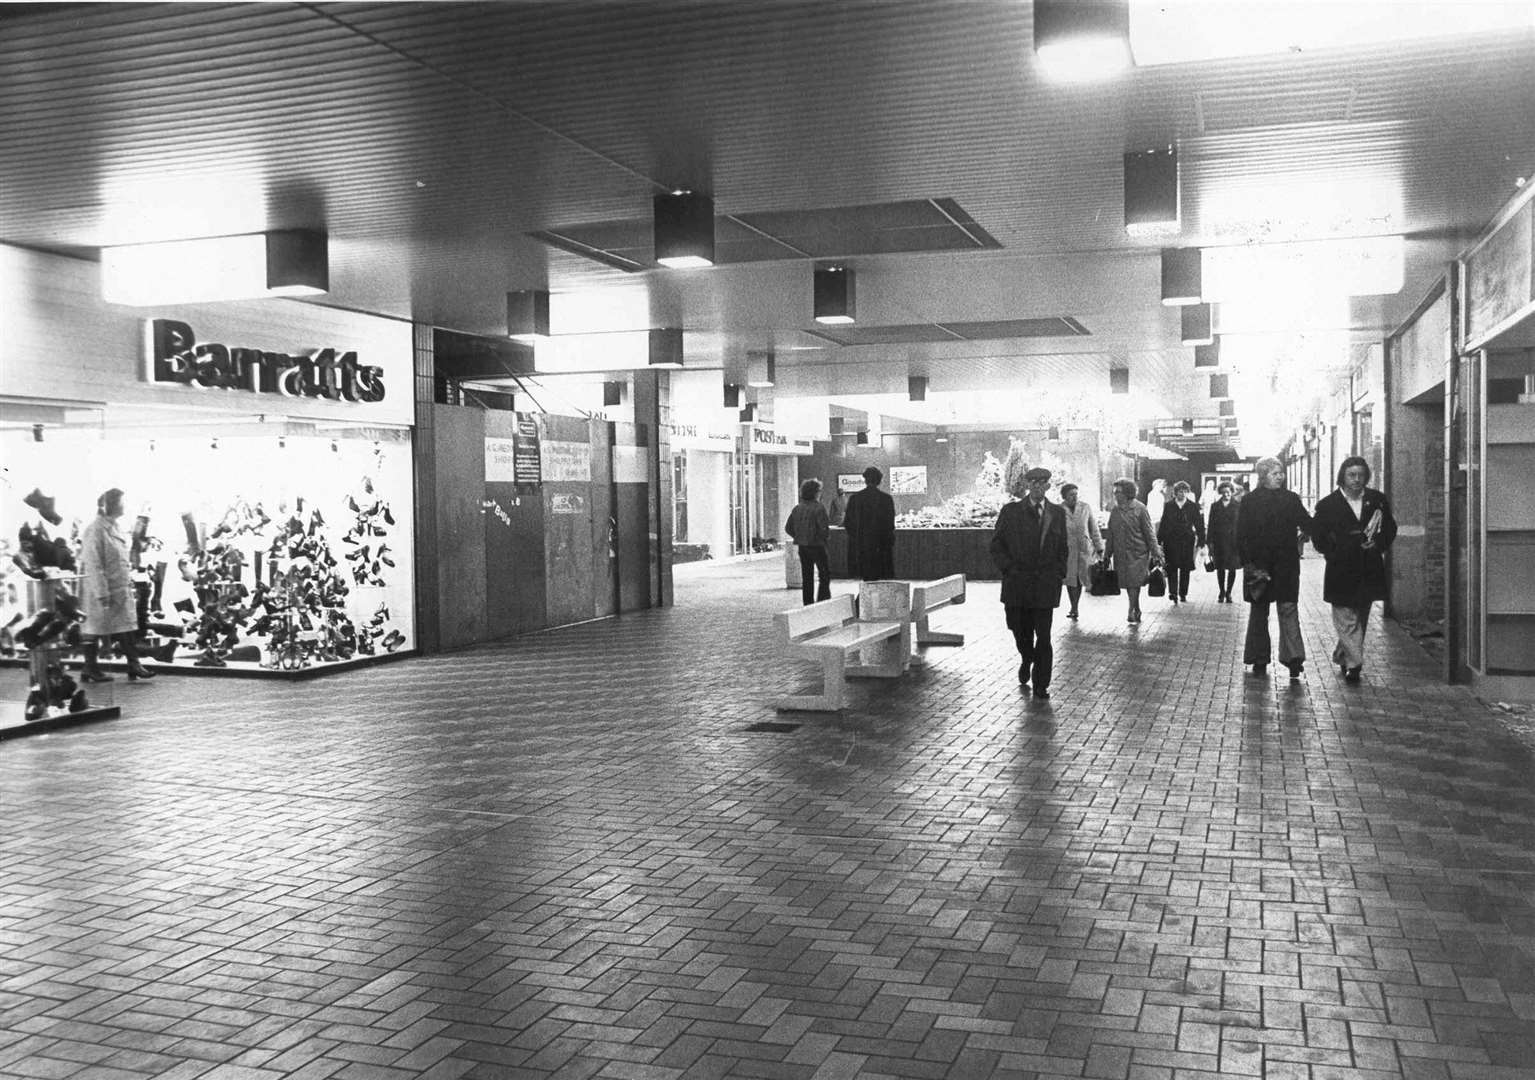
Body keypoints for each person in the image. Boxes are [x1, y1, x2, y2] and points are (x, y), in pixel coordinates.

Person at [1310, 456, 1397, 683]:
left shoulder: (1377, 500)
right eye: (1351, 475)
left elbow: (1389, 528)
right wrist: (1333, 551)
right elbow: (1318, 536)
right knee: (1346, 617)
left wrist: (1377, 544)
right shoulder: (1328, 505)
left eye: (1360, 475)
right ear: (1343, 476)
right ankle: (1355, 664)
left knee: (1360, 616)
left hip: (1368, 567)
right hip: (1341, 568)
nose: (1356, 480)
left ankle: (1343, 654)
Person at [990, 466, 1068, 699]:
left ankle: (1041, 683)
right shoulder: (1011, 511)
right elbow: (997, 545)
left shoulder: (1057, 513)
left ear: (1047, 486)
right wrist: (1009, 569)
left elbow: (1062, 547)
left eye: (1041, 482)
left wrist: (1058, 573)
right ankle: (1026, 657)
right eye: (1033, 482)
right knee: (1020, 632)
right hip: (1018, 584)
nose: (1037, 486)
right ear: (1028, 485)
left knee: (1043, 636)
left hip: (1045, 584)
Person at [1236, 456, 1312, 679]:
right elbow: (1242, 534)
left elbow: (1306, 522)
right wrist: (1247, 563)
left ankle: (1293, 659)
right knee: (1260, 610)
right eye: (1275, 473)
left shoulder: (1290, 499)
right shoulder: (1250, 501)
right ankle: (1261, 656)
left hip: (1282, 563)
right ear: (1263, 476)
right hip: (1262, 564)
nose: (1280, 476)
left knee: (1287, 608)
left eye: (1281, 472)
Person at [79, 487, 156, 682]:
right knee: (94, 629)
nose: (125, 506)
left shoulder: (114, 527)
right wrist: (101, 591)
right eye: (122, 502)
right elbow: (93, 563)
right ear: (111, 505)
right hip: (102, 588)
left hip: (119, 586)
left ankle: (133, 664)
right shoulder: (95, 530)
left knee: (126, 627)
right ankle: (90, 668)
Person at [1102, 478, 1163, 625]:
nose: (1115, 495)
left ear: (1128, 493)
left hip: (1138, 553)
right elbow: (1111, 534)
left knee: (1134, 583)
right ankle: (1136, 608)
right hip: (1121, 553)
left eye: (1118, 492)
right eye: (1114, 492)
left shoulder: (1140, 508)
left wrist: (1156, 553)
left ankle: (1131, 610)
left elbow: (1149, 533)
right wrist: (1106, 554)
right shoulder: (1115, 510)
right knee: (1128, 583)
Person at [1157, 480, 1206, 605]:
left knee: (1185, 568)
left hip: (1186, 540)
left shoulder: (1192, 506)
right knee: (1172, 567)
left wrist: (1201, 539)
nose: (1182, 493)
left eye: (1185, 491)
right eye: (1180, 491)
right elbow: (1164, 523)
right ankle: (1173, 593)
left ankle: (1183, 593)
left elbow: (1199, 524)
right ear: (1175, 493)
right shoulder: (1169, 505)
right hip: (1171, 540)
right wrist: (1159, 540)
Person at [784, 478, 833, 606]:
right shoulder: (818, 508)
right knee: (824, 574)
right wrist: (823, 538)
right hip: (817, 546)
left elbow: (788, 527)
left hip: (803, 546)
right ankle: (823, 602)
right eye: (820, 490)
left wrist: (799, 536)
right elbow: (823, 529)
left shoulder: (797, 508)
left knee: (807, 576)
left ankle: (808, 603)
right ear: (816, 492)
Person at [1059, 482, 1103, 620]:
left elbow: (1093, 529)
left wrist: (1099, 546)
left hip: (1084, 548)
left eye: (1076, 494)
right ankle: (1074, 606)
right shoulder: (1059, 510)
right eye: (1071, 495)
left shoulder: (1085, 507)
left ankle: (1075, 606)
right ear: (1064, 496)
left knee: (1080, 578)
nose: (1074, 497)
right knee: (1070, 578)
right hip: (1067, 550)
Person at [843, 466, 895, 581]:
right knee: (880, 576)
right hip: (881, 545)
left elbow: (848, 522)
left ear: (865, 480)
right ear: (879, 480)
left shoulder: (855, 499)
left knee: (866, 576)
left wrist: (855, 539)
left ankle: (865, 597)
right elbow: (890, 524)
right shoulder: (886, 499)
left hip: (862, 544)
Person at [1207, 481, 1242, 603]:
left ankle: (1229, 592)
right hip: (1219, 542)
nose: (1226, 494)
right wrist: (1209, 542)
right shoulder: (1215, 506)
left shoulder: (1238, 505)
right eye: (1224, 492)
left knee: (1232, 568)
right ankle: (1221, 591)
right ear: (1221, 493)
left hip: (1234, 542)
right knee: (1220, 568)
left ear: (1232, 492)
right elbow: (1211, 525)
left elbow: (1242, 524)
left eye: (1229, 492)